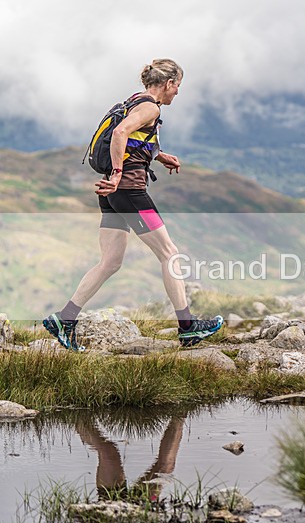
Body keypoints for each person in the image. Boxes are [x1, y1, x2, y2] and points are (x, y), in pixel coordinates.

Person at [43, 59, 222, 351]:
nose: (178, 92)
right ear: (169, 83)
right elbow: (120, 133)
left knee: (110, 262)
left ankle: (65, 318)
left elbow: (136, 137)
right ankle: (188, 327)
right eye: (178, 86)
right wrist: (116, 175)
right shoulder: (150, 106)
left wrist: (160, 156)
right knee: (170, 254)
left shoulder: (133, 101)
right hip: (129, 192)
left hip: (113, 195)